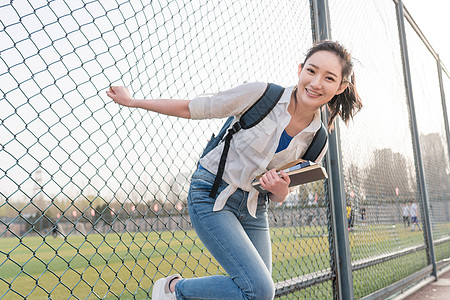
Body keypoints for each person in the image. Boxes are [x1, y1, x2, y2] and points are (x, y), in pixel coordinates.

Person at [106, 40, 362, 300]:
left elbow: (279, 194)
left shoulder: (318, 140)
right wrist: (134, 102)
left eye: (329, 78)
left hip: (254, 207)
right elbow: (192, 108)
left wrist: (280, 190)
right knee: (260, 291)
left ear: (341, 87)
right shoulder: (262, 95)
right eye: (311, 71)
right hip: (211, 193)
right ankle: (173, 290)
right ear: (300, 69)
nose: (316, 83)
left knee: (256, 295)